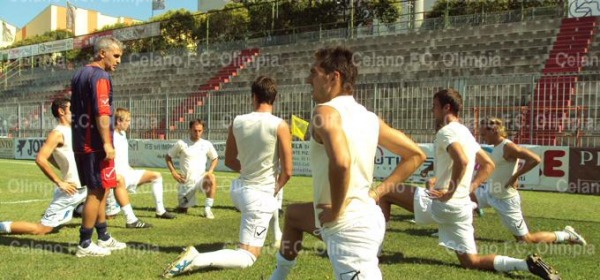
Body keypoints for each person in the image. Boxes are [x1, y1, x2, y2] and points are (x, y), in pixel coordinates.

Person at [269, 47, 426, 280]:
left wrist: (338, 208)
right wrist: (376, 194)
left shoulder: (324, 112)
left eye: (314, 73)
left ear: (334, 78)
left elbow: (341, 162)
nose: (308, 79)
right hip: (366, 216)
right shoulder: (369, 117)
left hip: (348, 227)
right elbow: (416, 155)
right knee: (293, 215)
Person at [393, 88, 559, 279]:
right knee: (471, 261)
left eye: (435, 106)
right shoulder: (465, 132)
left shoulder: (446, 131)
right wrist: (467, 190)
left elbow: (462, 160)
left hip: (442, 204)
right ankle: (525, 264)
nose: (433, 110)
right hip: (461, 207)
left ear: (446, 107)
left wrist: (449, 193)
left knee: (386, 191)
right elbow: (488, 164)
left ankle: (374, 254)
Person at [162, 76, 293, 278]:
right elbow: (288, 171)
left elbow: (231, 161)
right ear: (274, 98)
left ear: (254, 96)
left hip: (239, 190)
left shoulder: (238, 122)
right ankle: (196, 259)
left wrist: (248, 170)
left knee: (251, 226)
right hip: (259, 196)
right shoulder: (280, 125)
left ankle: (264, 233)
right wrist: (274, 189)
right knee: (248, 257)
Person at [476, 117, 586, 245]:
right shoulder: (495, 146)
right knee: (463, 199)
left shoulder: (508, 146)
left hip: (505, 200)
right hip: (490, 192)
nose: (483, 137)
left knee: (526, 240)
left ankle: (567, 235)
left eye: (484, 134)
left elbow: (535, 159)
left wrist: (515, 176)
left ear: (494, 131)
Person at [71, 36, 126, 257]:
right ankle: (84, 243)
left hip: (80, 141)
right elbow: (102, 112)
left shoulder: (79, 74)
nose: (119, 61)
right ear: (102, 53)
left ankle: (102, 236)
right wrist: (106, 142)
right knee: (96, 191)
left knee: (101, 187)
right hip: (95, 143)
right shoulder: (101, 76)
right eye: (116, 55)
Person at [0, 98, 86, 235]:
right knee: (42, 229)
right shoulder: (57, 133)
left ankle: (99, 233)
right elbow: (41, 159)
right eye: (72, 108)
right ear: (61, 111)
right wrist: (60, 182)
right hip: (71, 191)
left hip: (85, 188)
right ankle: (2, 226)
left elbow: (53, 157)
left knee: (103, 199)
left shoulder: (75, 130)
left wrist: (66, 168)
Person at [105, 108, 175, 226]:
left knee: (156, 176)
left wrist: (128, 167)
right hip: (117, 177)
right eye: (127, 120)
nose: (129, 123)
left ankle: (160, 211)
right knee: (109, 215)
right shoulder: (110, 137)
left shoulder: (123, 134)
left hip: (128, 173)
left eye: (129, 120)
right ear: (118, 121)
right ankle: (81, 208)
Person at [166, 119, 218, 219]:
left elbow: (215, 158)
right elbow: (168, 157)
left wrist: (210, 171)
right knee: (183, 209)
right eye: (195, 130)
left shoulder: (206, 144)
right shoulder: (181, 143)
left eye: (200, 131)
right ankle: (183, 204)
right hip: (186, 181)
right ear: (190, 130)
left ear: (203, 130)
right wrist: (174, 173)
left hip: (201, 180)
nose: (197, 133)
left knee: (211, 177)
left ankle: (207, 209)